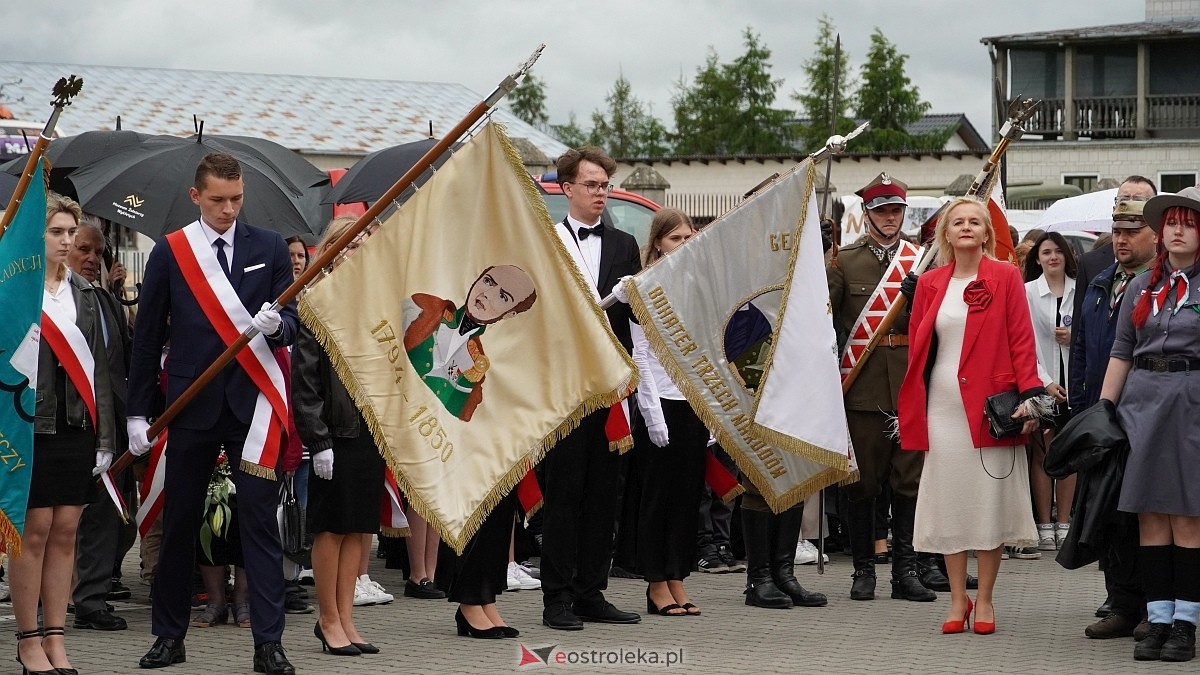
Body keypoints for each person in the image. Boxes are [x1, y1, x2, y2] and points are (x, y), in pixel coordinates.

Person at [126, 152, 299, 674]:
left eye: (237, 199)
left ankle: (268, 643)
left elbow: (293, 319)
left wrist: (277, 327)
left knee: (259, 527)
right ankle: (168, 636)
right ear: (196, 197)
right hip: (191, 406)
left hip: (251, 409)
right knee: (179, 525)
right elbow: (149, 334)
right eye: (219, 200)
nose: (229, 209)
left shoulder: (268, 245)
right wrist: (138, 412)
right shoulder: (173, 252)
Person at [899, 196, 1043, 636]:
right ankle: (957, 598)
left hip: (991, 405)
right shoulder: (929, 283)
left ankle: (985, 600)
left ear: (986, 233)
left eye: (974, 222)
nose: (965, 227)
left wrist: (1031, 396)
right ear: (945, 233)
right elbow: (920, 349)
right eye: (957, 222)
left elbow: (1021, 340)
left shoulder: (1005, 276)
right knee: (950, 502)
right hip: (940, 405)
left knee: (987, 503)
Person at [11, 193, 116, 675]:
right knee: (33, 533)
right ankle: (27, 638)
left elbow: (100, 373)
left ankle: (56, 636)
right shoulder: (15, 286)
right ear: (38, 235)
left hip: (77, 426)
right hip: (31, 424)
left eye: (71, 233)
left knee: (67, 532)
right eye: (57, 232)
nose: (67, 241)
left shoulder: (88, 295)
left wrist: (105, 439)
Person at [541, 146, 642, 630]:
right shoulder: (547, 242)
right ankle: (557, 597)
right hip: (564, 385)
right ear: (567, 189)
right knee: (565, 493)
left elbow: (634, 318)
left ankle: (591, 592)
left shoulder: (624, 245)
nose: (600, 193)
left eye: (605, 185)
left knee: (604, 494)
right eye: (591, 185)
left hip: (609, 387)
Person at [1099, 187, 1200, 663]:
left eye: (1189, 223)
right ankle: (1157, 619)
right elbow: (1121, 352)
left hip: (1191, 405)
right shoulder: (1142, 286)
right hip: (1142, 403)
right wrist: (1104, 409)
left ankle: (1186, 623)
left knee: (1187, 517)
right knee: (1149, 516)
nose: (1177, 230)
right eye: (1171, 223)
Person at [828, 173, 937, 603]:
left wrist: (920, 297)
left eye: (896, 210)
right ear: (867, 214)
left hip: (910, 381)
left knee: (908, 484)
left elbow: (937, 324)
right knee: (864, 484)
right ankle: (862, 571)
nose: (890, 217)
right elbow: (827, 320)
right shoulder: (844, 261)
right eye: (882, 210)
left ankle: (905, 573)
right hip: (864, 386)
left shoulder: (922, 260)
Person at [292, 215, 387, 657]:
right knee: (330, 528)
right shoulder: (316, 302)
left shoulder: (379, 303)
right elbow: (306, 381)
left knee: (359, 529)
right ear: (331, 250)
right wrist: (319, 439)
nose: (357, 253)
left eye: (365, 245)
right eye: (349, 245)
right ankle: (327, 618)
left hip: (372, 428)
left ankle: (347, 616)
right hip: (334, 431)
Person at [1070, 175, 1157, 621]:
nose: (1119, 239)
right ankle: (1119, 598)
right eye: (1116, 230)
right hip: (1100, 411)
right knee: (1103, 507)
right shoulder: (1102, 278)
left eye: (1130, 231)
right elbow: (1082, 345)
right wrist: (1080, 407)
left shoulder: (1159, 285)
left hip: (1144, 412)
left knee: (1138, 510)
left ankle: (1144, 602)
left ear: (1154, 235)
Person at [615, 208, 707, 616]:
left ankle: (678, 577)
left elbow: (709, 352)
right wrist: (651, 413)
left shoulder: (698, 286)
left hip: (692, 403)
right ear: (656, 243)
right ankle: (656, 583)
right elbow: (643, 357)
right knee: (657, 497)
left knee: (688, 497)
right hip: (660, 403)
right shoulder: (642, 287)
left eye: (689, 238)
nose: (683, 246)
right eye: (675, 239)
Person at [68, 218, 135, 633]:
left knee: (112, 518)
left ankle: (92, 591)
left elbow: (121, 360)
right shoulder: (57, 300)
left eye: (98, 251)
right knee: (81, 518)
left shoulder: (106, 300)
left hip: (116, 428)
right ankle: (85, 601)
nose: (93, 259)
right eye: (84, 250)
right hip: (75, 424)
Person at [402, 264, 538, 422]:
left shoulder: (477, 364)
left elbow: (459, 417)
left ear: (509, 314)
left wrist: (467, 380)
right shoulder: (426, 306)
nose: (487, 294)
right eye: (488, 281)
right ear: (477, 280)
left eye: (503, 297)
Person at [1021, 232, 1078, 558]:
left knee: (1069, 452)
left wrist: (1073, 336)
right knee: (1043, 452)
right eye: (1046, 252)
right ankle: (1044, 524)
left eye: (1058, 251)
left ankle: (1065, 521)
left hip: (1074, 385)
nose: (1053, 257)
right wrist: (1043, 382)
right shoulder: (1028, 292)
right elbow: (1024, 342)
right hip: (1042, 384)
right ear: (1037, 258)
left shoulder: (1080, 290)